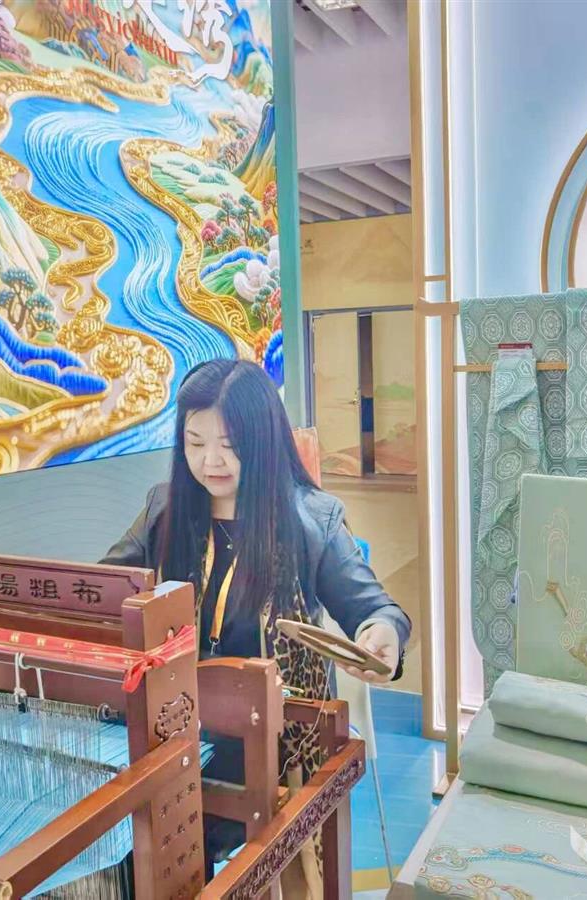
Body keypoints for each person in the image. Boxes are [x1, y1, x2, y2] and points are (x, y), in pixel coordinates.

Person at [101, 359, 412, 888]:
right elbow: (105, 588)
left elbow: (378, 611)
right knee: (131, 831)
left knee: (177, 840)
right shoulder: (164, 510)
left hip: (273, 740)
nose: (211, 461)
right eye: (195, 443)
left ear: (264, 441)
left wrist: (382, 636)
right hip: (174, 730)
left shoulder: (311, 519)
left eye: (230, 444)